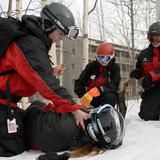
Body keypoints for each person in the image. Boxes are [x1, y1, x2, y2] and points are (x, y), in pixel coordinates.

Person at [0, 2, 90, 157]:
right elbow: (45, 82)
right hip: (2, 103)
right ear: (49, 25)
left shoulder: (34, 41)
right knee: (12, 147)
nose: (61, 39)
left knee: (24, 131)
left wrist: (51, 72)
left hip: (8, 103)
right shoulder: (29, 43)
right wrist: (73, 107)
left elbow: (30, 72)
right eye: (60, 34)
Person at [25, 101, 125, 159]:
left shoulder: (65, 125)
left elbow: (32, 110)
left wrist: (73, 109)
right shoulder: (79, 143)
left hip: (23, 121)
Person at [74, 42, 121, 109]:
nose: (103, 61)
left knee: (110, 96)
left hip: (106, 96)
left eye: (106, 58)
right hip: (91, 97)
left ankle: (105, 116)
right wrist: (83, 96)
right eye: (100, 58)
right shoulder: (91, 66)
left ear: (112, 56)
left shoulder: (114, 68)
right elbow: (79, 83)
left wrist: (98, 90)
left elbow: (114, 85)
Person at [130, 22, 160, 121]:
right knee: (147, 115)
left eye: (157, 37)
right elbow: (141, 69)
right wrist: (137, 72)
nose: (154, 41)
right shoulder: (144, 54)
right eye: (152, 38)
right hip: (152, 89)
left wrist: (151, 76)